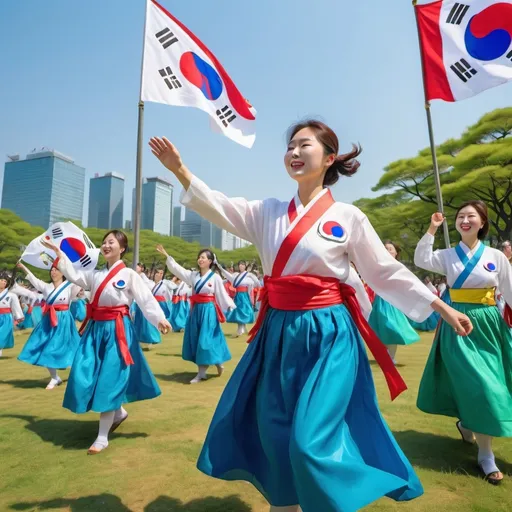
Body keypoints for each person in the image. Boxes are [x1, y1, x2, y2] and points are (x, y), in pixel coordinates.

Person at [149, 121, 472, 512]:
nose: (294, 152)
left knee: (310, 440)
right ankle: (283, 504)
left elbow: (384, 271)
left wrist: (441, 306)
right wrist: (179, 169)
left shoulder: (349, 217)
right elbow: (219, 205)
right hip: (278, 333)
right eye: (290, 146)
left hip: (329, 334)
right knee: (276, 431)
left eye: (305, 145)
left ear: (329, 158)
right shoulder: (265, 212)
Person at [41, 230, 171, 454]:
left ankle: (102, 436)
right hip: (95, 330)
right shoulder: (95, 274)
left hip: (118, 331)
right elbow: (74, 276)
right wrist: (60, 254)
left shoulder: (129, 274)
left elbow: (145, 299)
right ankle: (118, 412)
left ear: (122, 248)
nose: (106, 245)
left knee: (109, 378)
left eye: (112, 242)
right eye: (104, 242)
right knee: (85, 373)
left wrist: (159, 318)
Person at [415, 202, 512, 485]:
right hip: (458, 324)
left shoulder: (496, 255)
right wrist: (432, 227)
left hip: (490, 325)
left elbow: (508, 289)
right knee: (480, 385)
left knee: (492, 382)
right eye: (460, 217)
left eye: (471, 216)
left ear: (483, 222)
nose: (465, 220)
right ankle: (486, 455)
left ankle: (468, 425)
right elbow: (422, 258)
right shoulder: (447, 255)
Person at [157, 245, 234, 384]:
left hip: (209, 310)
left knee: (206, 339)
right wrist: (167, 256)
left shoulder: (215, 277)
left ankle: (203, 372)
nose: (200, 259)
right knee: (198, 338)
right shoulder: (193, 275)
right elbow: (178, 270)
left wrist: (229, 305)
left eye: (203, 257)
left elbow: (221, 294)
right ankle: (211, 367)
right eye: (199, 257)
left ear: (210, 261)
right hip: (196, 310)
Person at [16, 262, 81, 389]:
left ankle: (78, 373)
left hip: (64, 319)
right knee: (46, 347)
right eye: (52, 270)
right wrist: (23, 267)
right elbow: (34, 280)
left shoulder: (69, 286)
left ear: (63, 272)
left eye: (57, 270)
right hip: (48, 320)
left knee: (70, 347)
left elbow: (79, 281)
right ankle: (54, 377)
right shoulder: (46, 287)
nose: (53, 272)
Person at [367, 241, 421, 364]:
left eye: (390, 249)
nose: (387, 251)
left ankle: (390, 356)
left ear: (396, 252)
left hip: (394, 301)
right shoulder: (377, 265)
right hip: (380, 300)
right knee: (380, 328)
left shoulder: (399, 267)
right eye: (385, 248)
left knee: (391, 327)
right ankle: (385, 354)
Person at [219, 260, 259, 336]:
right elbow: (227, 276)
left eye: (243, 265)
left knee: (244, 311)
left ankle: (242, 328)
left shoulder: (248, 275)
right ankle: (241, 328)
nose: (241, 266)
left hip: (245, 295)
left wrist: (253, 281)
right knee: (238, 312)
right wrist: (220, 267)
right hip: (238, 295)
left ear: (245, 266)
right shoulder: (235, 275)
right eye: (240, 264)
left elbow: (257, 283)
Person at [0, 271, 24, 358]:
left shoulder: (11, 295)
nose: (3, 282)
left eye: (5, 281)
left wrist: (19, 316)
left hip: (6, 317)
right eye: (2, 280)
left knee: (1, 335)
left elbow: (15, 306)